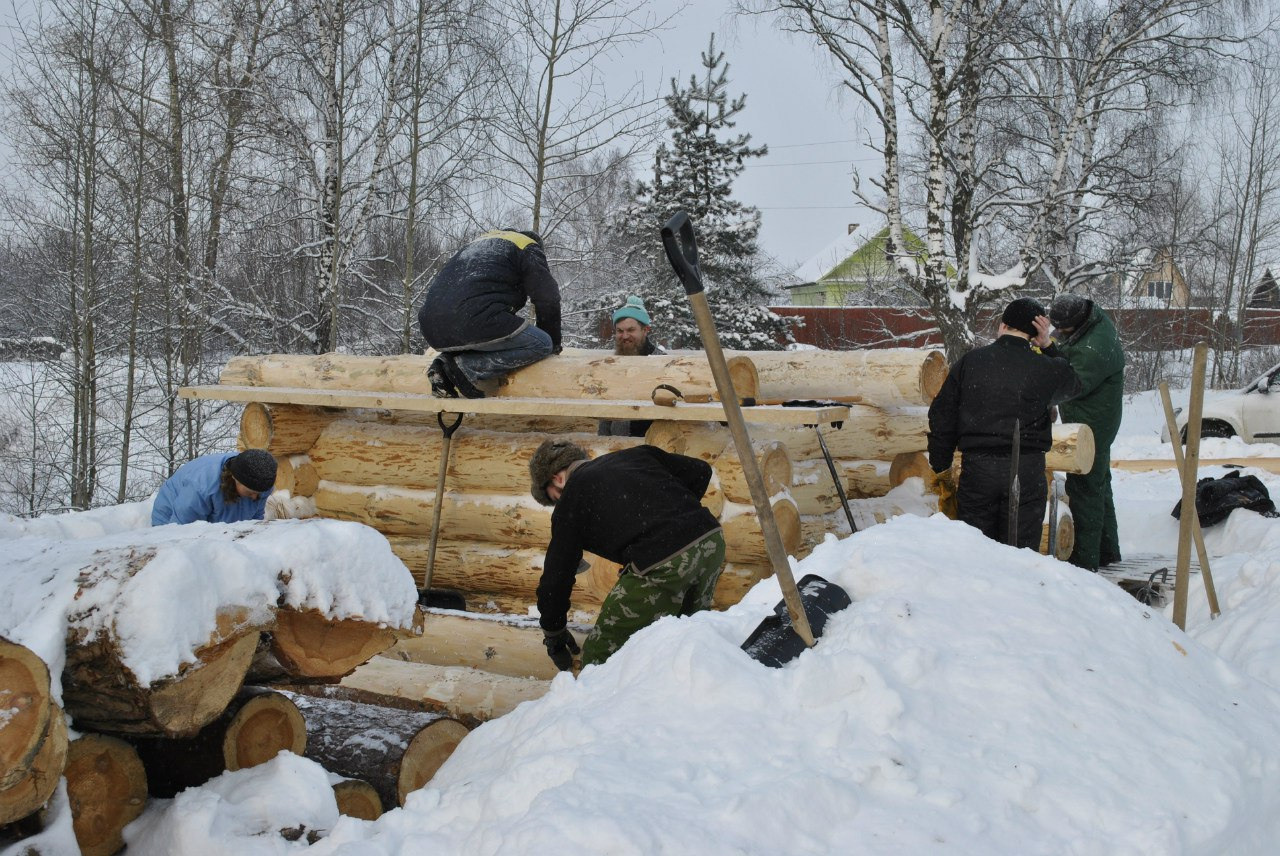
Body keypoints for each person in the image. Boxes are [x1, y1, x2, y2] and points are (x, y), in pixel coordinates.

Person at [528, 438, 725, 670]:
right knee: (687, 636)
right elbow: (700, 470)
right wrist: (677, 514)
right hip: (711, 540)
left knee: (601, 657)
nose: (557, 504)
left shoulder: (572, 498)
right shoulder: (636, 456)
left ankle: (594, 700)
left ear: (557, 478)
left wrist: (554, 633)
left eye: (553, 498)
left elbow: (557, 577)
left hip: (661, 562)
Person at [927, 298, 1081, 549]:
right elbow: (1073, 384)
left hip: (978, 471)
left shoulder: (972, 362)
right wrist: (1048, 345)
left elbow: (942, 416)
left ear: (1002, 325)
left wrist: (941, 467)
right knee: (1019, 553)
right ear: (1035, 333)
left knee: (976, 550)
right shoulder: (1044, 367)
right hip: (1027, 469)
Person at [418, 228, 562, 399]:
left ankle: (442, 367)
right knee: (542, 342)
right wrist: (553, 344)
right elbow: (547, 297)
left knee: (481, 336)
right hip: (472, 318)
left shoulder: (476, 247)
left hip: (431, 327)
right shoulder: (527, 246)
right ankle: (466, 368)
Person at [1042, 293, 1126, 570]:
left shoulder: (1095, 347)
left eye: (1063, 331)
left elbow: (1071, 383)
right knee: (1100, 484)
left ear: (1076, 325)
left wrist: (1042, 395)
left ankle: (1085, 563)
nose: (1061, 335)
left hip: (1094, 423)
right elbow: (1069, 356)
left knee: (1085, 487)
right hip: (1093, 417)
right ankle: (1107, 553)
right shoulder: (1092, 320)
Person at [598, 295, 666, 438]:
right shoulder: (613, 364)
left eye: (631, 330)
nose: (625, 336)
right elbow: (605, 412)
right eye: (620, 331)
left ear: (645, 330)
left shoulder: (661, 363)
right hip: (614, 445)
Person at [151, 449, 277, 526]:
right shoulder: (201, 487)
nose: (255, 497)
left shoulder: (261, 480)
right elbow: (179, 529)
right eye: (251, 492)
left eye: (260, 494)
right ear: (235, 478)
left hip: (218, 521)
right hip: (170, 522)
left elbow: (254, 521)